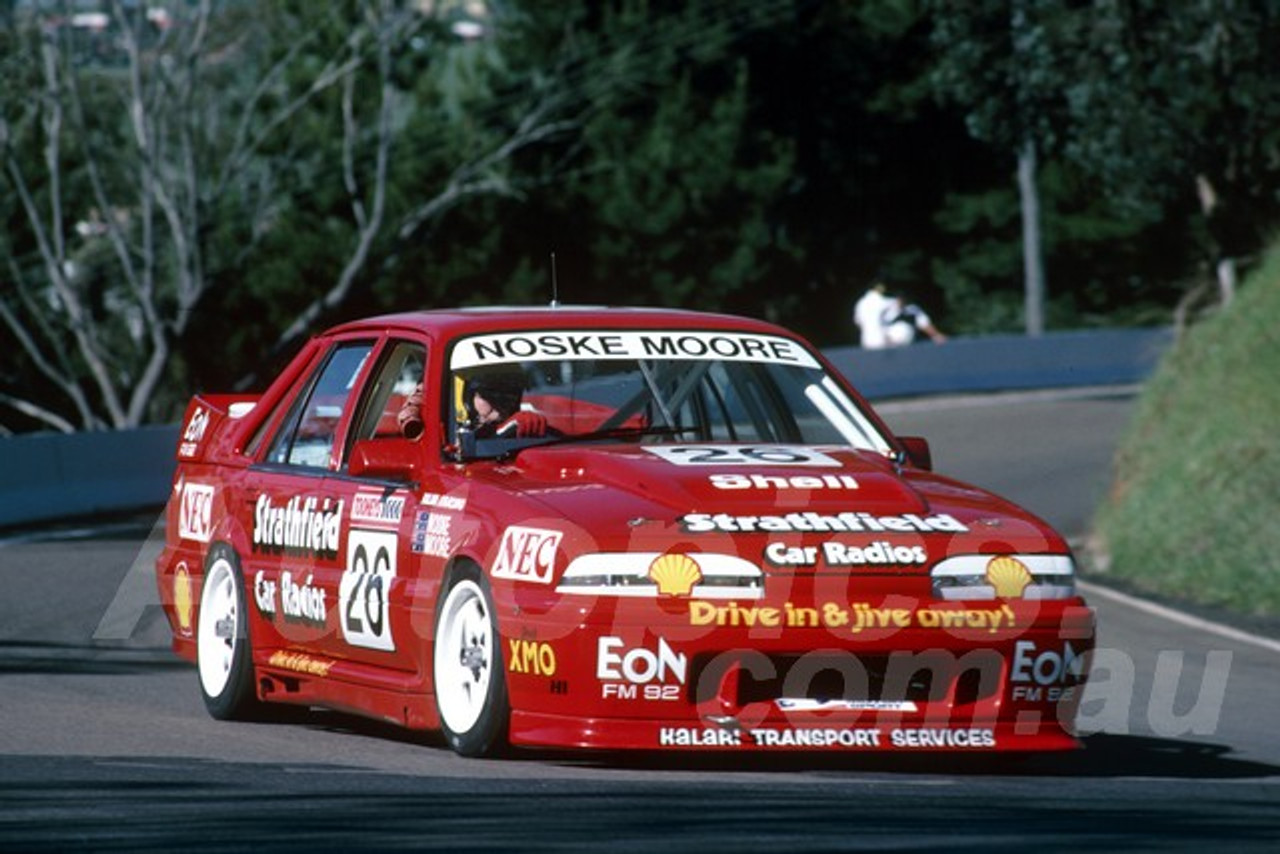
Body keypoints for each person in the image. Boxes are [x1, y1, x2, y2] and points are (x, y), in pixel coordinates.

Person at [396, 367, 548, 440]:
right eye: (489, 396)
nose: (501, 405)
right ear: (465, 395)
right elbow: (410, 417)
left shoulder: (522, 424)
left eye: (509, 396)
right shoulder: (435, 419)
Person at [853, 280, 947, 348]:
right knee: (903, 328)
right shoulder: (887, 304)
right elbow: (922, 321)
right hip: (883, 344)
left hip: (869, 344)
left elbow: (858, 323)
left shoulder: (861, 304)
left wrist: (936, 335)